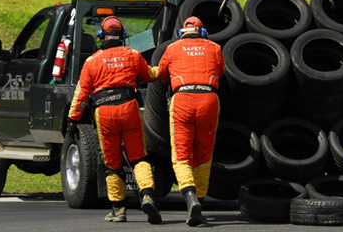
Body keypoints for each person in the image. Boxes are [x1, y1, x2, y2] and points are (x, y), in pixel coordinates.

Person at [67, 16, 161, 224]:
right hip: (129, 108)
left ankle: (118, 210)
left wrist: (73, 119)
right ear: (122, 36)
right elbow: (150, 75)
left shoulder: (91, 62)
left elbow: (81, 94)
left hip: (104, 113)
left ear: (101, 35)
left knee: (112, 163)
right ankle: (146, 194)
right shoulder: (133, 55)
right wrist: (165, 68)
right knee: (138, 157)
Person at [156, 16, 225, 227]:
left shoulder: (172, 48)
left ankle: (189, 196)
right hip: (209, 99)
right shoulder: (214, 47)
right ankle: (200, 204)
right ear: (202, 31)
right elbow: (221, 72)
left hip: (182, 99)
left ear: (182, 32)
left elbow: (161, 76)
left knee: (181, 154)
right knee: (204, 154)